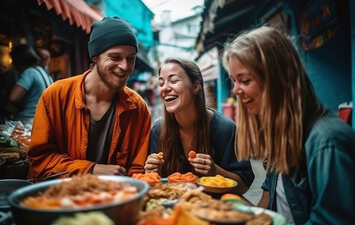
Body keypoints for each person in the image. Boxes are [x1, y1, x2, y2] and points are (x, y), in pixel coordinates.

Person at [222, 26, 355, 224]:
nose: (235, 90)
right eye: (234, 81)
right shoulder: (281, 135)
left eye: (244, 80)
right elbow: (267, 207)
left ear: (277, 80)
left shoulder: (326, 143)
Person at [27, 17, 151, 179]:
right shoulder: (56, 96)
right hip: (59, 199)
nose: (125, 66)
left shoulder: (137, 107)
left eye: (131, 58)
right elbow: (39, 161)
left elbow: (138, 169)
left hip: (117, 198)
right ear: (95, 56)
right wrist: (90, 169)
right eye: (115, 57)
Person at [145, 57, 254, 195]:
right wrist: (153, 172)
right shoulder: (158, 129)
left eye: (173, 81)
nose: (165, 88)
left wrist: (215, 171)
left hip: (213, 210)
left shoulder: (225, 129)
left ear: (195, 86)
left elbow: (243, 185)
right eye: (161, 84)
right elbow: (157, 185)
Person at [6, 44, 53, 128]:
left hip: (27, 123)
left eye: (13, 60)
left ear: (19, 60)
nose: (13, 63)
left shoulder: (30, 72)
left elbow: (13, 97)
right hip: (42, 122)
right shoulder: (45, 74)